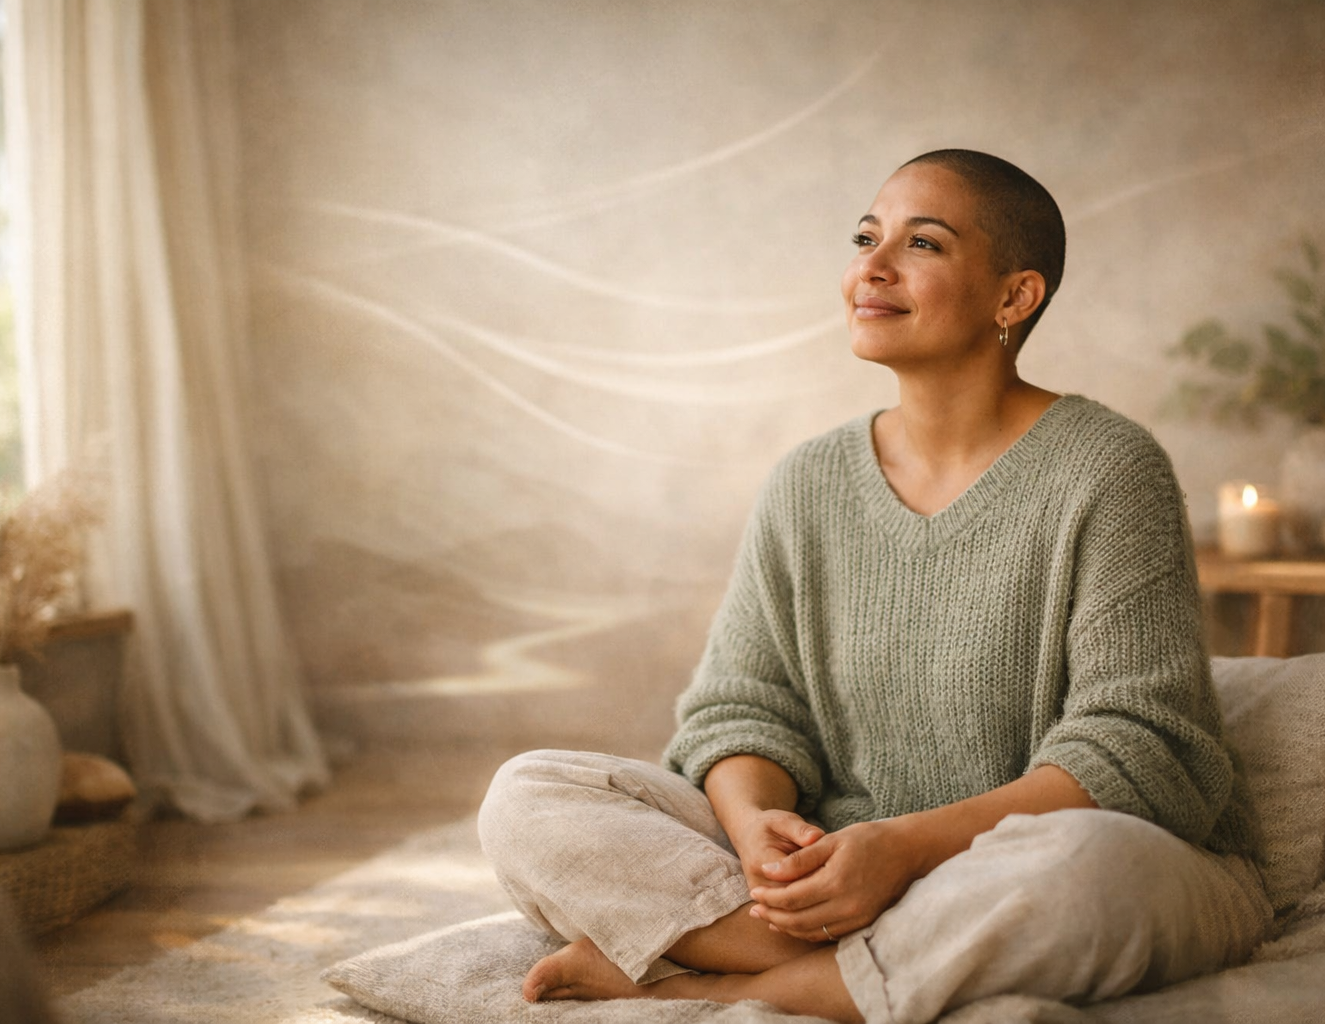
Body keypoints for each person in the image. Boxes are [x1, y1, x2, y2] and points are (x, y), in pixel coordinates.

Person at [477, 149, 1272, 1024]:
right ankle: (861, 960)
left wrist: (903, 849)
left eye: (922, 243)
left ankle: (727, 980)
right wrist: (753, 831)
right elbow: (744, 710)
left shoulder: (1109, 469)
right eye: (866, 236)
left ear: (1015, 297)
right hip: (834, 865)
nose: (872, 267)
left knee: (1087, 874)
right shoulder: (807, 481)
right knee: (530, 796)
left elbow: (1140, 745)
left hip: (1045, 864)